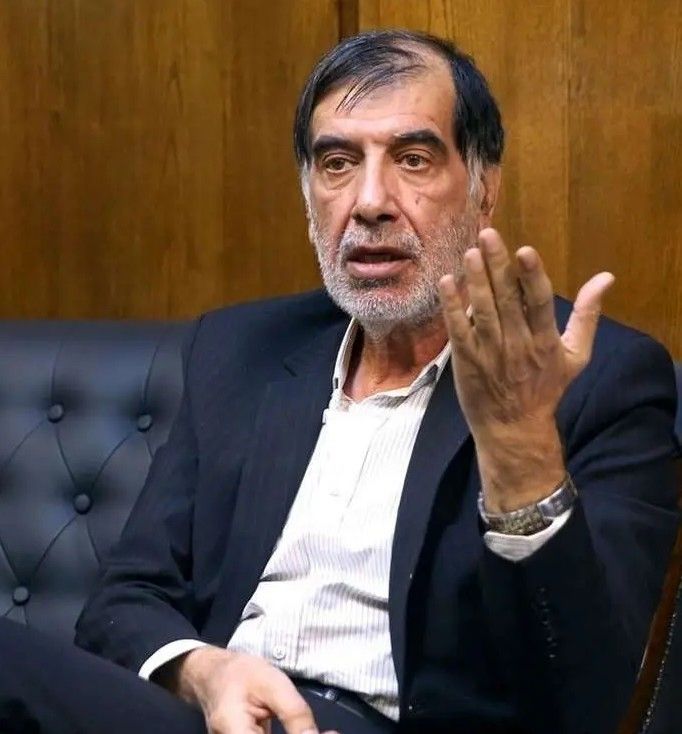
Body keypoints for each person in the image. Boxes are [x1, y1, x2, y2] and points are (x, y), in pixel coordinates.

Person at [1, 29, 679, 734]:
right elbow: (124, 601)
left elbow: (589, 697)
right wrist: (206, 672)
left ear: (485, 190)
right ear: (308, 197)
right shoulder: (239, 352)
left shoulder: (593, 379)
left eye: (413, 160)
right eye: (337, 163)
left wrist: (521, 455)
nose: (371, 201)